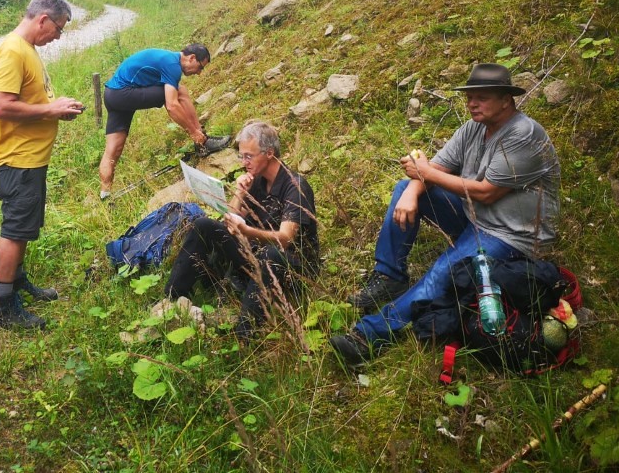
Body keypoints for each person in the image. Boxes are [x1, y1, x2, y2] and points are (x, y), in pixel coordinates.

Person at [329, 63, 561, 367]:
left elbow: (486, 192)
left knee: (443, 270)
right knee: (405, 188)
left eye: (482, 97)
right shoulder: (473, 128)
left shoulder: (524, 135)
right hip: (475, 217)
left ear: (507, 99)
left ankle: (369, 336)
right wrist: (413, 190)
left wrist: (424, 173)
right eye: (469, 97)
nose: (472, 104)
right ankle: (390, 277)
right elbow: (436, 168)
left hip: (511, 236)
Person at [163, 121, 319, 341]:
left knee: (271, 254)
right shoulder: (257, 179)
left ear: (269, 153)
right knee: (204, 225)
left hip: (292, 268)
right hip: (255, 255)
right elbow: (231, 219)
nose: (244, 162)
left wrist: (246, 231)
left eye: (249, 156)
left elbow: (284, 240)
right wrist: (239, 192)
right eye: (241, 156)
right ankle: (171, 300)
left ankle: (245, 334)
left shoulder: (295, 186)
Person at [0, 0, 85, 330]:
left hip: (31, 158)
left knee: (24, 229)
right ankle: (2, 308)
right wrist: (50, 109)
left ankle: (16, 283)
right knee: (14, 231)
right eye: (58, 29)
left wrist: (56, 109)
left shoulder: (27, 49)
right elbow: (1, 106)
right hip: (18, 160)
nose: (57, 36)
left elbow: (30, 101)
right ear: (43, 19)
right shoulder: (13, 50)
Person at [98, 45, 231, 199]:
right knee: (180, 91)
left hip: (112, 94)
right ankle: (202, 140)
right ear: (192, 58)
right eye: (200, 67)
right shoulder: (172, 65)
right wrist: (193, 132)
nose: (199, 73)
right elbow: (172, 106)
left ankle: (105, 196)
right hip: (123, 93)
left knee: (113, 150)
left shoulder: (168, 59)